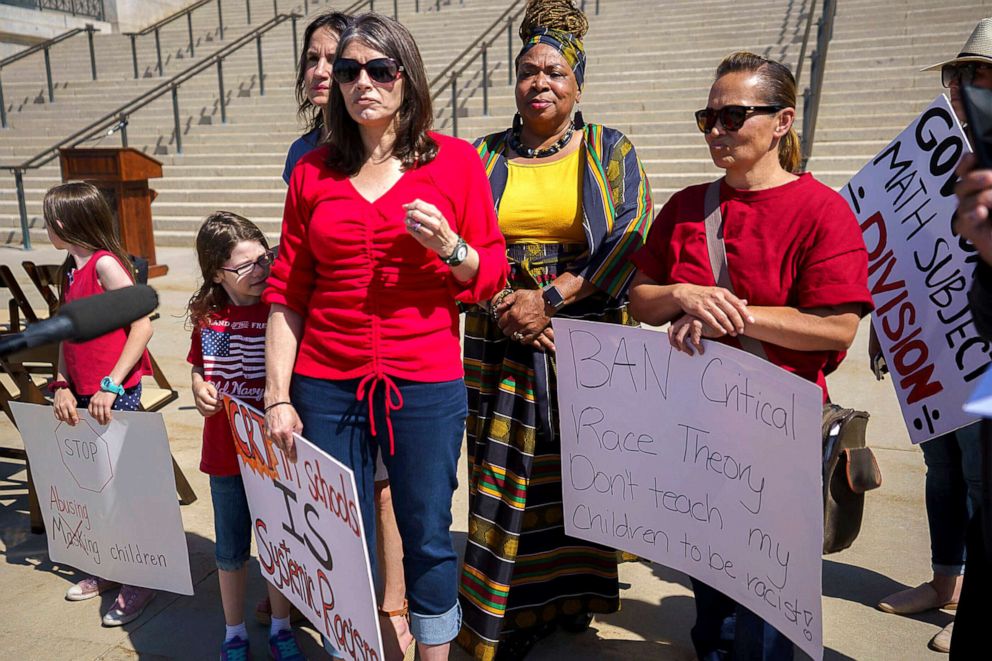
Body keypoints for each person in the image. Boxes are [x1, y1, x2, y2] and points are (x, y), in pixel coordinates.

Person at [263, 12, 508, 661]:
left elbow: (490, 273)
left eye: (379, 68)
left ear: (406, 76)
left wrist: (451, 246)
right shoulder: (314, 171)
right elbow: (288, 289)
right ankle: (359, 649)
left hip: (424, 382)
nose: (361, 82)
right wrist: (277, 394)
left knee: (427, 533)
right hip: (325, 383)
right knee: (340, 535)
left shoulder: (454, 162)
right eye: (348, 71)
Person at [628, 52, 873, 660]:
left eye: (733, 115)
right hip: (693, 425)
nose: (716, 130)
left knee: (768, 605)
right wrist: (682, 294)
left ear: (783, 121)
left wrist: (731, 313)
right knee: (709, 584)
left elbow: (839, 328)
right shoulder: (686, 206)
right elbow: (641, 300)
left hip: (778, 431)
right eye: (707, 117)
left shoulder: (823, 211)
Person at [456, 1, 653, 658]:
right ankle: (506, 613)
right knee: (504, 472)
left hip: (586, 327)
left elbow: (631, 233)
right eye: (528, 71)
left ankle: (571, 598)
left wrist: (550, 298)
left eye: (555, 71)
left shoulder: (610, 149)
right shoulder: (480, 155)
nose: (540, 81)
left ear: (578, 80)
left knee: (579, 471)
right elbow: (458, 243)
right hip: (499, 328)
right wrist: (507, 303)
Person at [875, 18, 992, 653]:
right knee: (941, 467)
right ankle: (947, 580)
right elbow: (900, 238)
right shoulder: (929, 152)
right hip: (933, 339)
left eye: (977, 74)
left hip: (983, 351)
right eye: (959, 74)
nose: (963, 85)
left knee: (981, 476)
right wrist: (889, 323)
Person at [186, 212, 305, 661]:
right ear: (217, 273)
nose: (260, 271)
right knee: (231, 548)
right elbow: (201, 365)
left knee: (278, 544)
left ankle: (280, 626)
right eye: (244, 266)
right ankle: (233, 631)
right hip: (224, 453)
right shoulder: (210, 316)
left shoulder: (280, 307)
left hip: (275, 452)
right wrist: (199, 387)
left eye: (263, 258)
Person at [44, 181, 156, 627]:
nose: (46, 225)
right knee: (94, 485)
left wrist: (111, 385)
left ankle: (139, 577)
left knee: (121, 487)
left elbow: (142, 327)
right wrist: (61, 383)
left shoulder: (106, 265)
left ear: (63, 223)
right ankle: (108, 565)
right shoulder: (69, 270)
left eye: (49, 218)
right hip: (82, 392)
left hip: (113, 394)